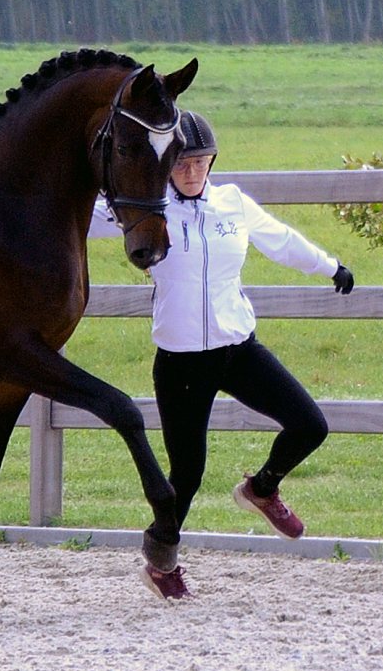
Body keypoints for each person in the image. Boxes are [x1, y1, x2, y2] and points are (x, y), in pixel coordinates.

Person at [138, 110, 355, 600]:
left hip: (237, 348)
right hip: (181, 361)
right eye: (180, 164)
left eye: (200, 162)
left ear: (213, 161)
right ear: (164, 165)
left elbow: (280, 240)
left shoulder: (232, 203)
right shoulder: (147, 208)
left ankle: (261, 488)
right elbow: (78, 216)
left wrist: (330, 266)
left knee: (310, 424)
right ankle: (160, 561)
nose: (191, 173)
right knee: (186, 475)